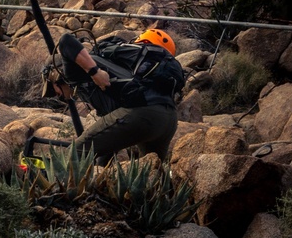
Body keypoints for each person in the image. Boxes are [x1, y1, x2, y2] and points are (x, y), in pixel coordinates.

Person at [42, 29, 185, 165]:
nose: (57, 95)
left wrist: (95, 73)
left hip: (143, 113)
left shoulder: (73, 72)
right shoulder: (126, 71)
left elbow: (65, 40)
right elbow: (111, 134)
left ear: (56, 75)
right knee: (153, 173)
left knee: (73, 155)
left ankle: (51, 189)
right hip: (169, 120)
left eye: (53, 89)